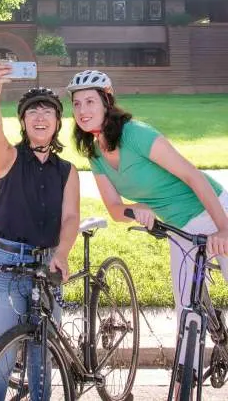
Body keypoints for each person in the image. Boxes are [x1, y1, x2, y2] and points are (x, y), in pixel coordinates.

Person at [67, 69, 228, 359]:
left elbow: (193, 176)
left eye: (90, 101)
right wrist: (136, 210)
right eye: (76, 103)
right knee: (186, 312)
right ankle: (182, 384)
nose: (82, 110)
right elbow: (115, 210)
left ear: (107, 101)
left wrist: (223, 229)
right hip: (180, 229)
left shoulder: (135, 134)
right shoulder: (95, 154)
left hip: (214, 209)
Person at [0, 60, 80, 400]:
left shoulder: (67, 171)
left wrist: (63, 253)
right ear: (23, 122)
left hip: (48, 263)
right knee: (0, 359)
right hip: (6, 264)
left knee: (43, 356)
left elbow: (70, 218)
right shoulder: (8, 158)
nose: (40, 117)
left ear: (57, 122)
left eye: (48, 112)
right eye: (33, 112)